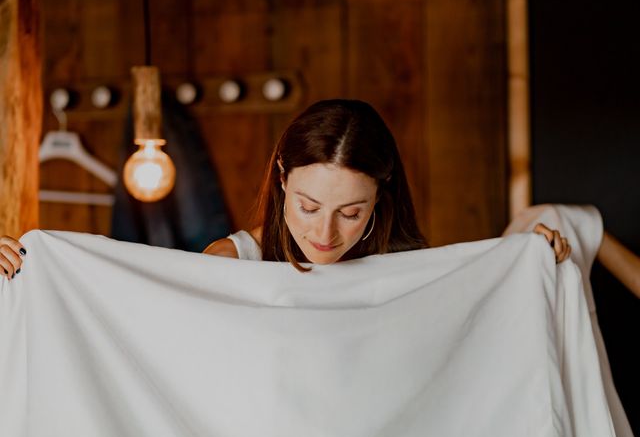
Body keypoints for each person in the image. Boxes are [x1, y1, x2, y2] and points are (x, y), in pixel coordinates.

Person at [1, 99, 570, 279]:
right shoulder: (230, 262)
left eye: (352, 212)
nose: (325, 234)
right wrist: (37, 273)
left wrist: (528, 258)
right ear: (280, 179)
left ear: (382, 195)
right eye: (308, 206)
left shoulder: (411, 271)